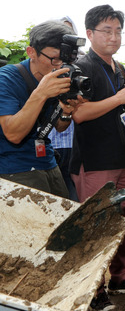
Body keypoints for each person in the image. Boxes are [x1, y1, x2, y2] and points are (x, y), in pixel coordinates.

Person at [70, 4, 125, 311]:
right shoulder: (83, 66)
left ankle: (121, 277)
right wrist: (118, 99)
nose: (114, 37)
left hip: (121, 159)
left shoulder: (118, 68)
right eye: (107, 30)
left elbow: (116, 111)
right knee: (96, 226)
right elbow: (78, 113)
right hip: (94, 162)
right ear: (90, 33)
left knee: (124, 223)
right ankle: (95, 288)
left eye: (118, 31)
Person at [0, 20, 80, 198]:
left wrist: (66, 112)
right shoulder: (6, 79)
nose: (60, 66)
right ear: (31, 52)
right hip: (15, 167)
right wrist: (41, 93)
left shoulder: (53, 75)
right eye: (55, 59)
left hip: (48, 161)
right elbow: (13, 134)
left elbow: (58, 126)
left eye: (66, 60)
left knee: (62, 222)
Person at [46, 16, 84, 202]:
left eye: (69, 34)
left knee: (74, 196)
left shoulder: (82, 63)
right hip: (51, 142)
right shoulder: (46, 64)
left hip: (74, 142)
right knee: (52, 198)